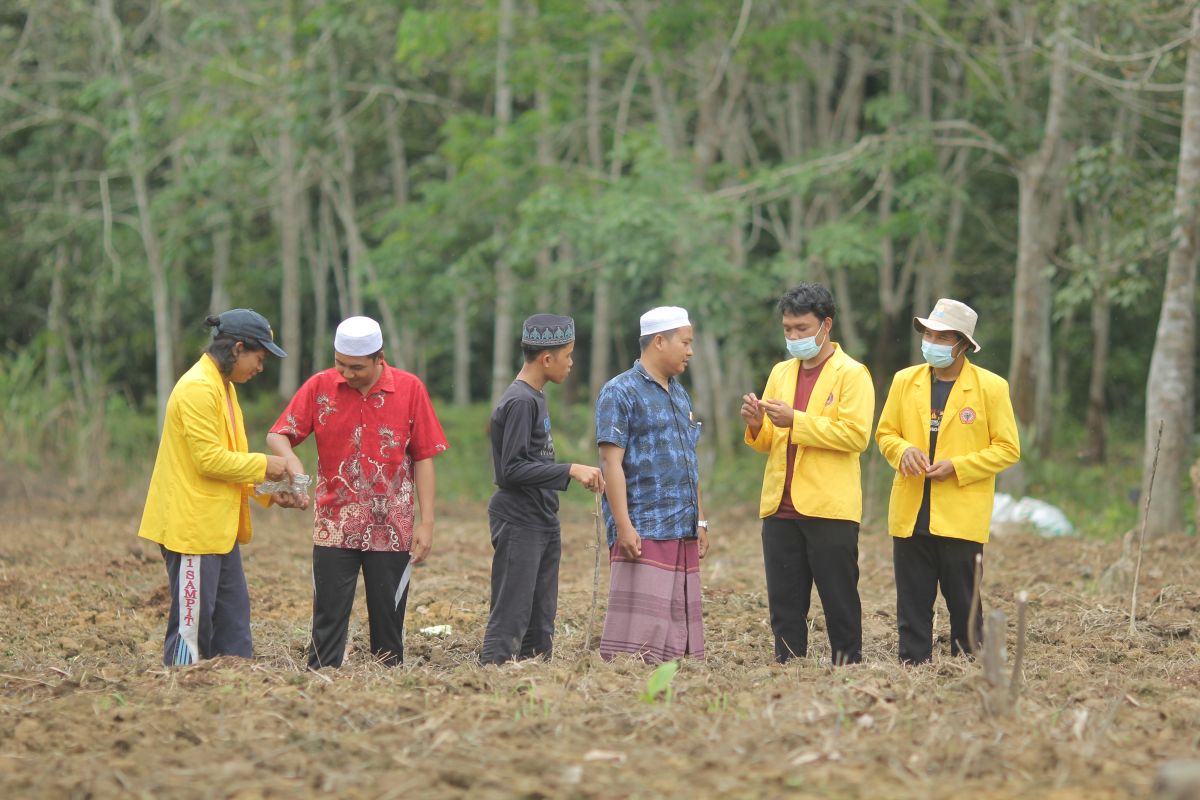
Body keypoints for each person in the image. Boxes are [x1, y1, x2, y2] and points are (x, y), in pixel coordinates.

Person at [267, 316, 449, 669]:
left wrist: (426, 523)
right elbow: (279, 433)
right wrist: (290, 459)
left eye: (356, 368)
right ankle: (321, 685)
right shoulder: (320, 386)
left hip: (392, 527)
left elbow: (424, 457)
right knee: (328, 619)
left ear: (379, 357)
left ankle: (388, 686)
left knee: (389, 624)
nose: (346, 374)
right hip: (334, 525)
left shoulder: (410, 390)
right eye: (340, 364)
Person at [138, 309, 299, 667]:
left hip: (218, 528)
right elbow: (208, 460)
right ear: (238, 348)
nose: (260, 367)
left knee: (233, 625)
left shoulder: (222, 387)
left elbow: (231, 458)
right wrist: (266, 464)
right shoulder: (198, 388)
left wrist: (270, 490)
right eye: (259, 358)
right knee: (192, 628)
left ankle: (232, 692)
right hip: (192, 529)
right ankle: (181, 692)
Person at [875, 298, 1020, 664]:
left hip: (961, 516)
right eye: (928, 334)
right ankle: (913, 666)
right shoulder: (905, 381)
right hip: (911, 512)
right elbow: (886, 433)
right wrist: (903, 450)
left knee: (964, 601)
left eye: (941, 337)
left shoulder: (991, 387)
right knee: (912, 601)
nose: (932, 343)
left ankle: (969, 668)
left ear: (962, 344)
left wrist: (958, 466)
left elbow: (1007, 449)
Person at [740, 283, 874, 665]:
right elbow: (769, 439)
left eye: (802, 328)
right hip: (780, 506)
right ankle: (788, 667)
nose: (794, 336)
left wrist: (796, 420)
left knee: (839, 598)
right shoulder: (781, 372)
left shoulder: (853, 374)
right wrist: (755, 425)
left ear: (825, 325)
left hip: (829, 506)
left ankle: (847, 666)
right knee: (784, 601)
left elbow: (855, 435)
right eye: (787, 329)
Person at [480, 315, 605, 665]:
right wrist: (570, 470)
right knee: (513, 610)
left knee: (540, 612)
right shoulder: (520, 401)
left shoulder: (535, 397)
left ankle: (536, 676)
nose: (571, 363)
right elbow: (512, 469)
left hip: (540, 515)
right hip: (519, 518)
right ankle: (492, 675)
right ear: (546, 359)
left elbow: (530, 460)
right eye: (567, 355)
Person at [595, 306, 708, 663]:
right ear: (659, 341)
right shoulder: (619, 392)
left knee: (676, 617)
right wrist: (623, 526)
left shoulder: (679, 393)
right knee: (639, 634)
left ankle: (677, 672)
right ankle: (629, 679)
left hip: (682, 525)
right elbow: (611, 463)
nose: (690, 351)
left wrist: (701, 520)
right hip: (644, 527)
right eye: (685, 343)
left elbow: (689, 460)